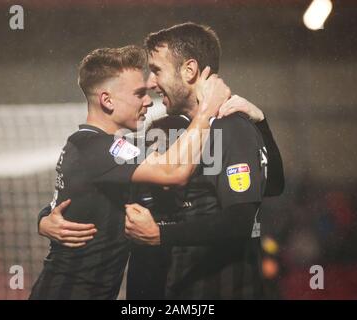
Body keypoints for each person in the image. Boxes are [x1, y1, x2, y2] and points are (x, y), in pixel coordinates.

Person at [29, 45, 231, 299]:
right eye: (139, 94)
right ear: (107, 100)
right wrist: (205, 112)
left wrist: (43, 218)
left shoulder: (104, 145)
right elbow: (174, 170)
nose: (148, 101)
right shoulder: (94, 147)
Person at [123, 22, 284, 299]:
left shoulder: (231, 128)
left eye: (157, 70)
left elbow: (241, 219)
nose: (150, 82)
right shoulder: (163, 132)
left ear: (189, 70)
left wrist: (161, 235)